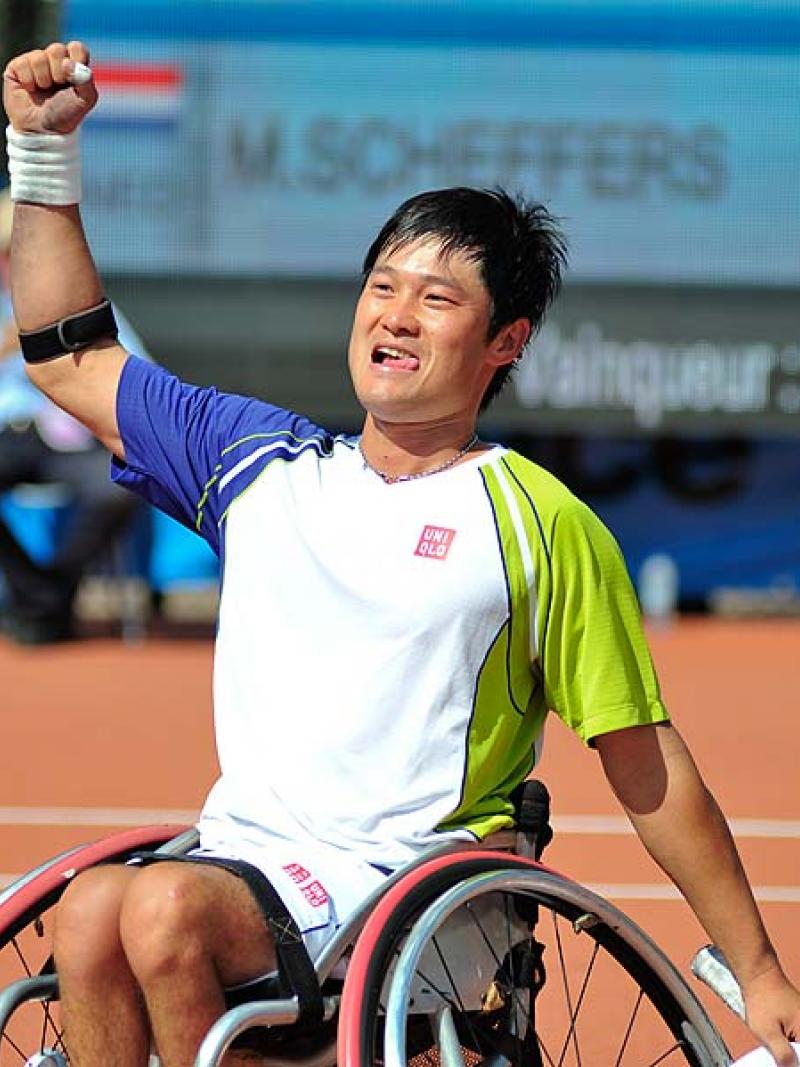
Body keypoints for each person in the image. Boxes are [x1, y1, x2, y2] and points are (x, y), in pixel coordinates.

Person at [3, 41, 799, 1067]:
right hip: (242, 867)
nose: (395, 313)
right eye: (384, 284)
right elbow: (70, 354)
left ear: (503, 341)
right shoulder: (259, 464)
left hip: (415, 888)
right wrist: (43, 151)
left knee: (157, 910)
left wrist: (758, 964)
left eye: (436, 298)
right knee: (89, 911)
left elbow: (642, 761)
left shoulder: (537, 521)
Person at [0, 187, 149, 643]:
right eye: (6, 252)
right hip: (6, 432)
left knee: (117, 490)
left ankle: (47, 596)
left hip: (67, 435)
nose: (13, 262)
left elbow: (138, 379)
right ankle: (43, 597)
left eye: (21, 249)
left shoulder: (83, 301)